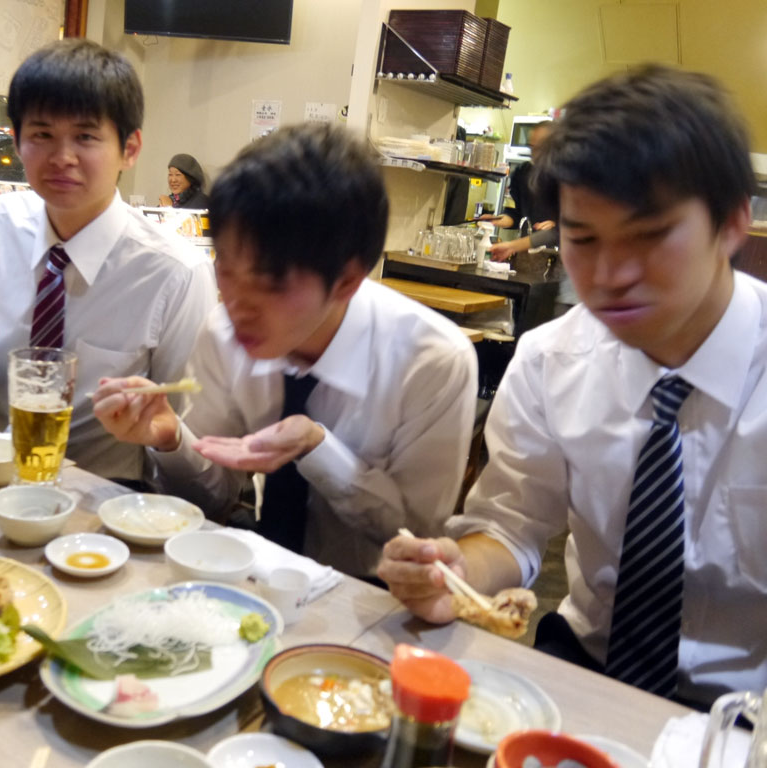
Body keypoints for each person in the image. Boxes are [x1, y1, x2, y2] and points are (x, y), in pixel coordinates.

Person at [378, 65, 762, 708]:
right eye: (584, 240)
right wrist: (459, 571)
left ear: (731, 224)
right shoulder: (550, 360)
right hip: (584, 668)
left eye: (649, 237)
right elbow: (511, 526)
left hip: (746, 711)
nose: (610, 276)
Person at [93, 123, 477, 579]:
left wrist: (318, 449)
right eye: (226, 267)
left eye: (271, 281)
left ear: (347, 280)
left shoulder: (433, 360)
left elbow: (414, 538)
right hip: (252, 576)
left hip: (372, 596)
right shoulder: (224, 333)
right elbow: (213, 496)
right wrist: (171, 439)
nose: (238, 305)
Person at [0, 39, 216, 483]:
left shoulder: (176, 272)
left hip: (104, 492)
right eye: (42, 135)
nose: (62, 158)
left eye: (86, 136)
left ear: (130, 148)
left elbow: (199, 464)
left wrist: (167, 437)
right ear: (17, 142)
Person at [480, 120, 558, 262]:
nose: (534, 153)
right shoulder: (522, 173)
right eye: (532, 147)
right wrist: (497, 220)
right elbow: (515, 215)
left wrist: (556, 225)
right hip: (528, 253)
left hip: (560, 256)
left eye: (540, 147)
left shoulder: (572, 179)